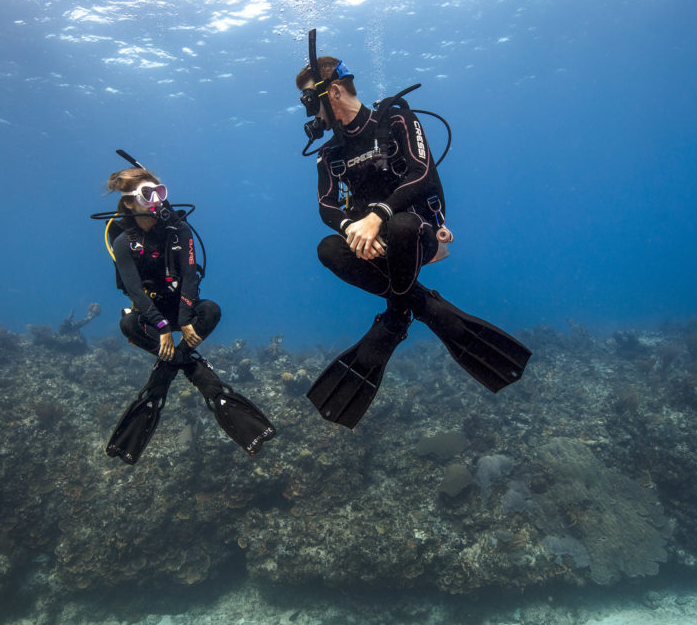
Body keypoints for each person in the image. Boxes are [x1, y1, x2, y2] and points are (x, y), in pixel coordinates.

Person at [295, 40, 533, 429]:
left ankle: (393, 319)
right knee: (328, 249)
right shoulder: (330, 154)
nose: (308, 110)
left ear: (332, 91)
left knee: (403, 224)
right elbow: (326, 206)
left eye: (308, 99)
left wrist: (378, 214)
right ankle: (417, 307)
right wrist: (352, 228)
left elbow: (421, 173)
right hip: (374, 248)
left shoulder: (398, 122)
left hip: (416, 234)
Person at [99, 163, 275, 463]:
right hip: (152, 313)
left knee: (212, 310)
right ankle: (197, 372)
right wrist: (162, 326)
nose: (156, 201)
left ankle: (163, 376)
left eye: (159, 192)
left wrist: (182, 319)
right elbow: (134, 292)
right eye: (147, 194)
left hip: (183, 307)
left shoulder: (178, 230)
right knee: (128, 324)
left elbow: (190, 276)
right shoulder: (122, 242)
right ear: (129, 201)